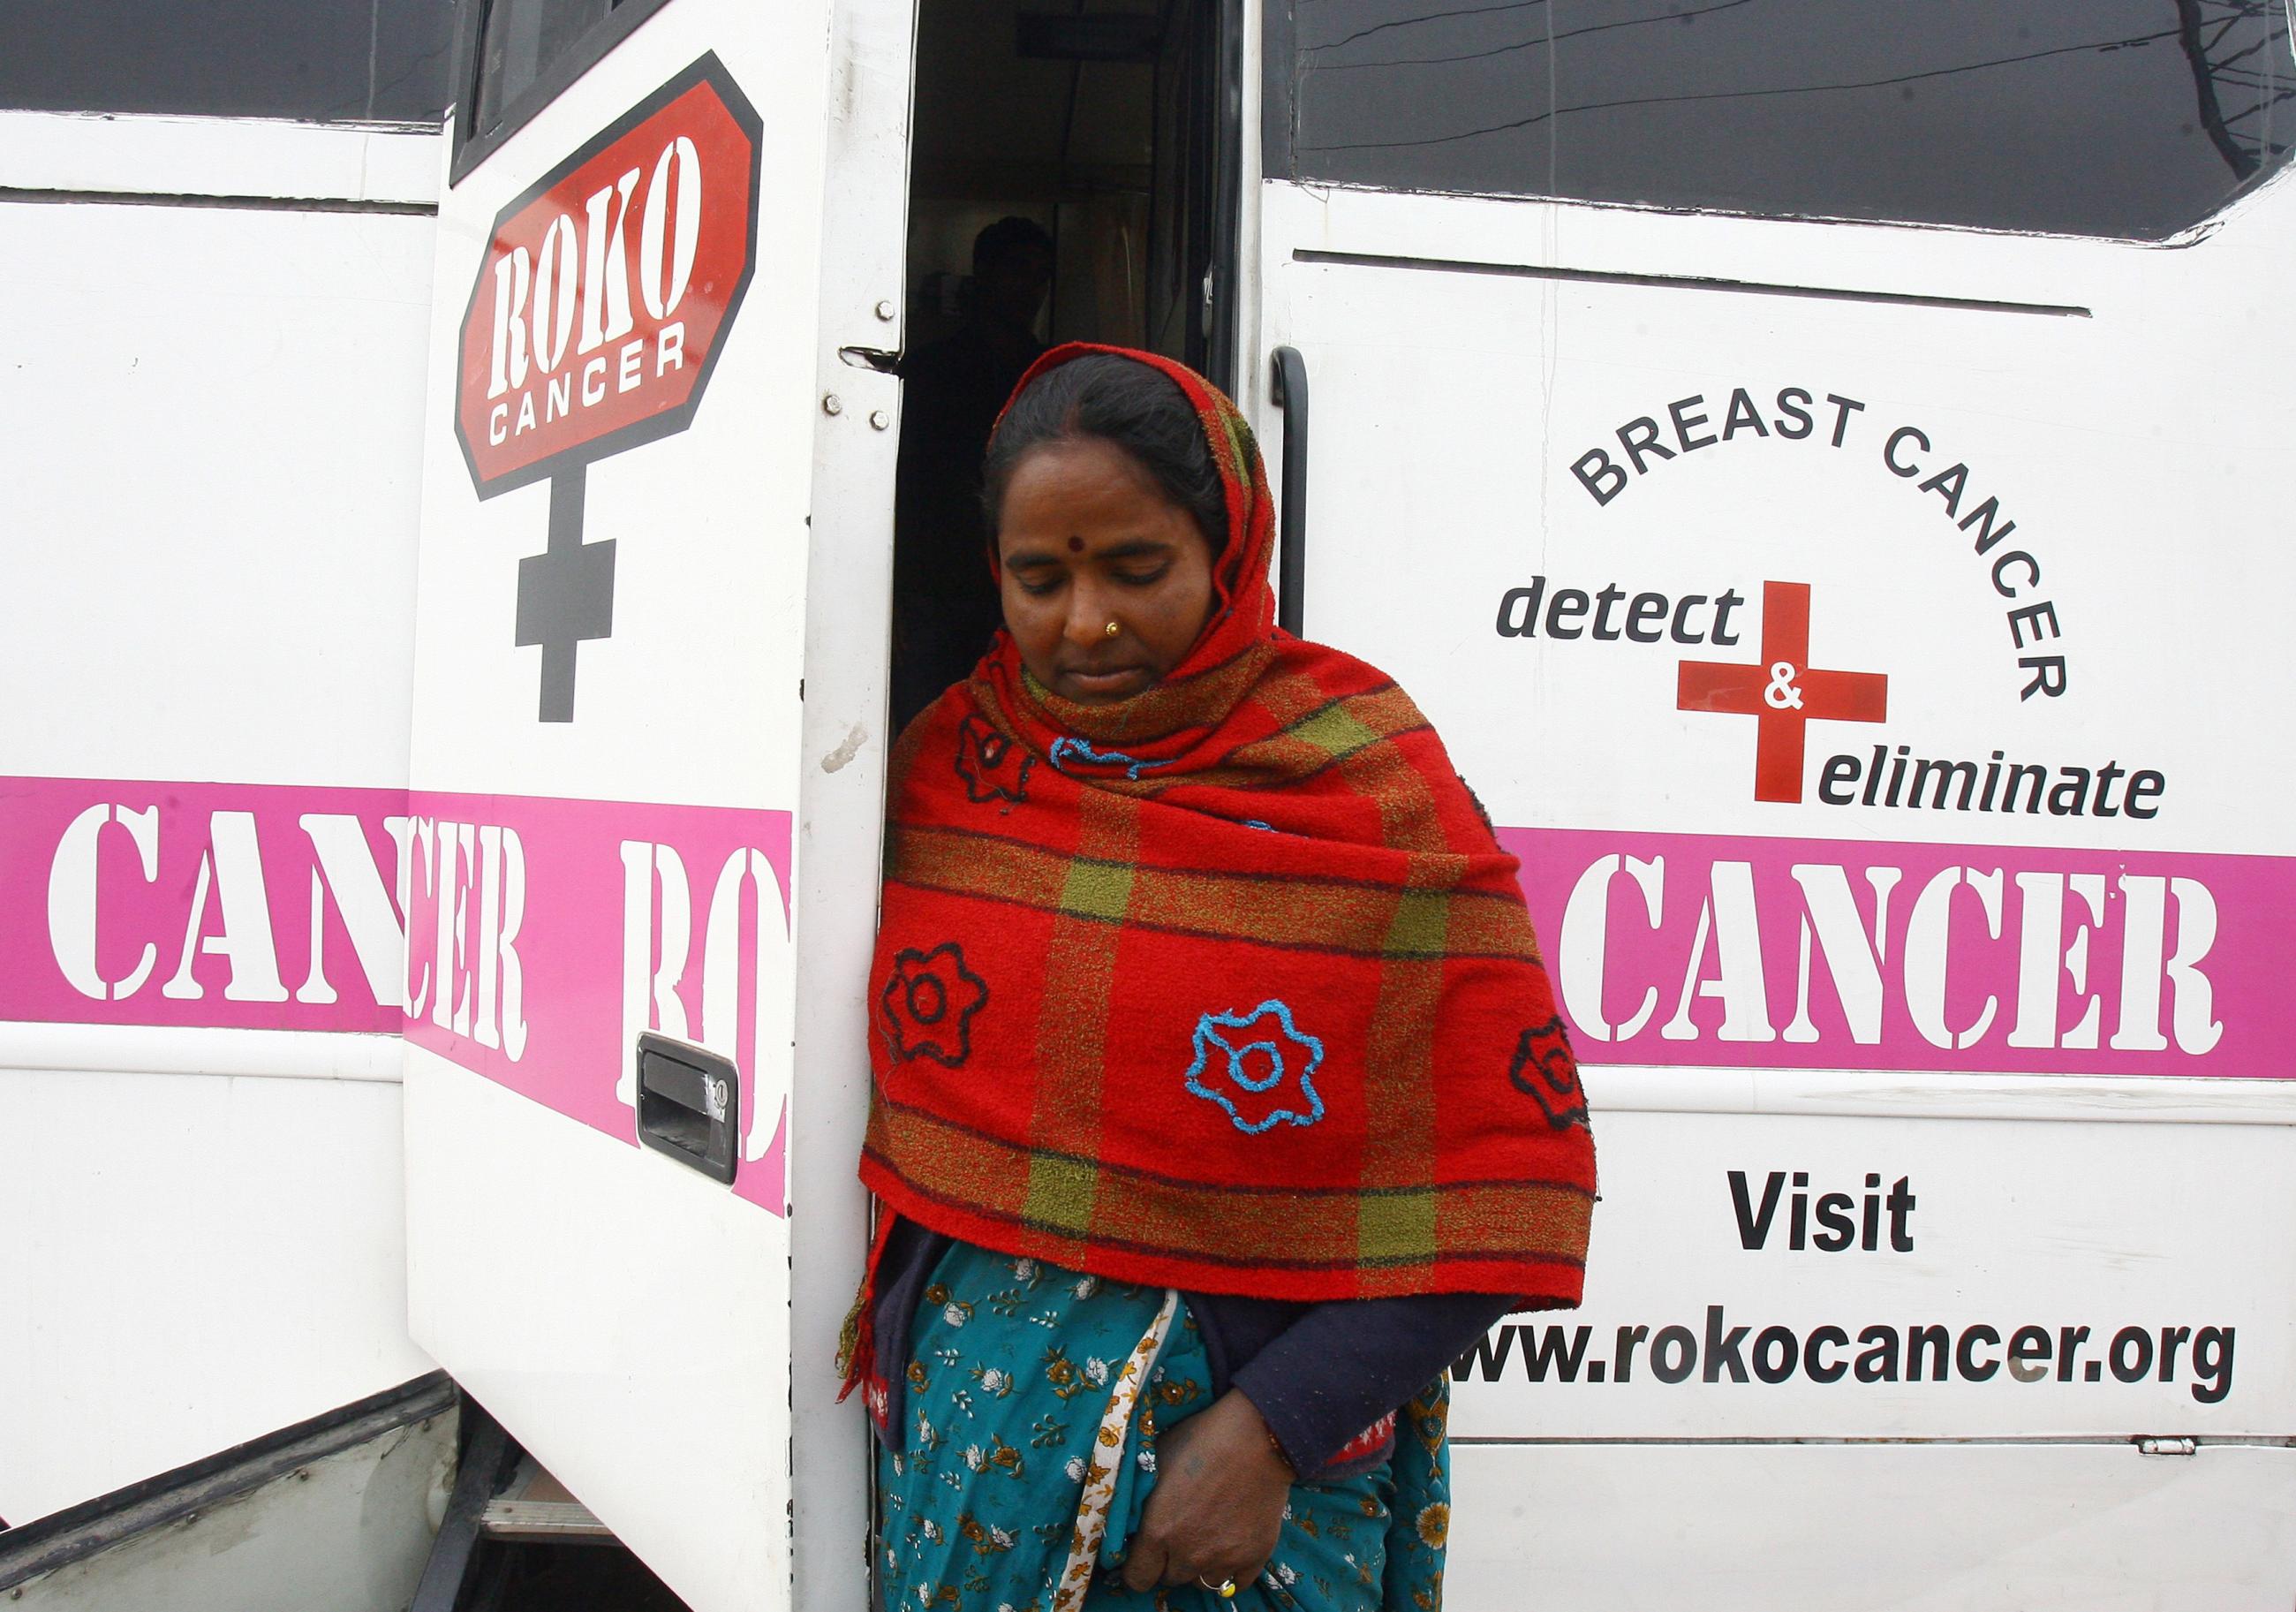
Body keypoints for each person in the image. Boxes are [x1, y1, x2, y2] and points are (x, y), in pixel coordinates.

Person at [843, 346, 1597, 1611]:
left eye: (1135, 570)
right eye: (1041, 578)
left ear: (1228, 550)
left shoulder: (1363, 779)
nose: (1084, 622)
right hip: (967, 1484)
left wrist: (1271, 1430)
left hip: (1249, 1509)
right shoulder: (947, 769)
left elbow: (1505, 1195)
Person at [889, 215, 1056, 730]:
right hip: (936, 593)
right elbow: (902, 488)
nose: (1027, 288)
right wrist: (896, 596)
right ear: (981, 274)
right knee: (928, 731)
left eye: (1038, 275)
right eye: (1015, 271)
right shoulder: (929, 371)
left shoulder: (1053, 377)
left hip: (1026, 588)